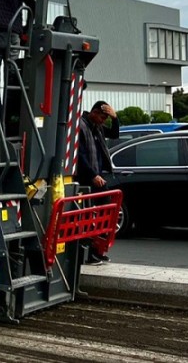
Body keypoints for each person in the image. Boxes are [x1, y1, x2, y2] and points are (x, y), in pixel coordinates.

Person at [76, 100, 120, 264]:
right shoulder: (81, 126)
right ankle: (90, 252)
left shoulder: (98, 127)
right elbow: (80, 155)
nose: (103, 121)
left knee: (105, 212)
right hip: (87, 179)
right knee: (86, 217)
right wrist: (92, 174)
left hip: (97, 177)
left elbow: (114, 134)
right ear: (93, 113)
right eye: (102, 117)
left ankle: (97, 249)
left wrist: (115, 118)